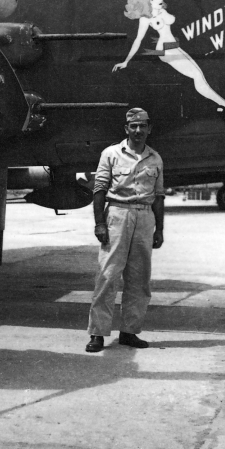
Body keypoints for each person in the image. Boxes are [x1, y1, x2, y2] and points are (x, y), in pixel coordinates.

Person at [86, 108, 165, 353]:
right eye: (133, 126)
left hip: (145, 217)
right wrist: (100, 223)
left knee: (139, 279)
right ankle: (97, 333)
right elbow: (99, 190)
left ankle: (129, 332)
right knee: (108, 275)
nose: (138, 131)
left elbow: (159, 196)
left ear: (149, 128)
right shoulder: (111, 154)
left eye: (143, 126)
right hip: (117, 215)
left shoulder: (155, 159)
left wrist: (159, 229)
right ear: (126, 129)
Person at [113, 0, 225, 117]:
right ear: (149, 1)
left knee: (199, 74)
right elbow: (138, 40)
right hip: (166, 50)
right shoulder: (146, 19)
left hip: (174, 47)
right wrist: (126, 61)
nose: (161, 0)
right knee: (197, 76)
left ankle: (222, 105)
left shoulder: (162, 11)